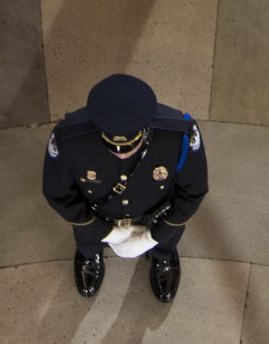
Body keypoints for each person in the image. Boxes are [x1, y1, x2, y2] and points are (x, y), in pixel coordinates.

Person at [41, 72, 209, 304]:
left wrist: (153, 237)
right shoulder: (69, 138)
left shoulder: (179, 134)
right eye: (112, 147)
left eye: (130, 146)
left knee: (167, 239)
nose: (122, 154)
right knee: (87, 238)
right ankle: (90, 255)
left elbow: (193, 191)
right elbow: (58, 192)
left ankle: (162, 256)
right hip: (96, 212)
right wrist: (104, 232)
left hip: (156, 211)